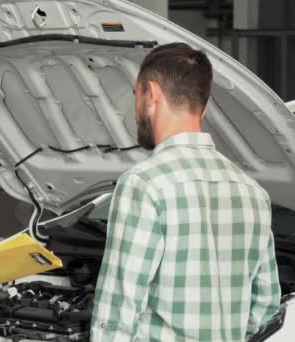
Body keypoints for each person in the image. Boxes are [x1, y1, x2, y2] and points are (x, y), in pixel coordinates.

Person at [90, 43, 280, 341]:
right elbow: (266, 303)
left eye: (136, 96)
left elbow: (118, 313)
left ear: (151, 93)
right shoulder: (253, 192)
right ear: (202, 107)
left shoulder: (144, 184)